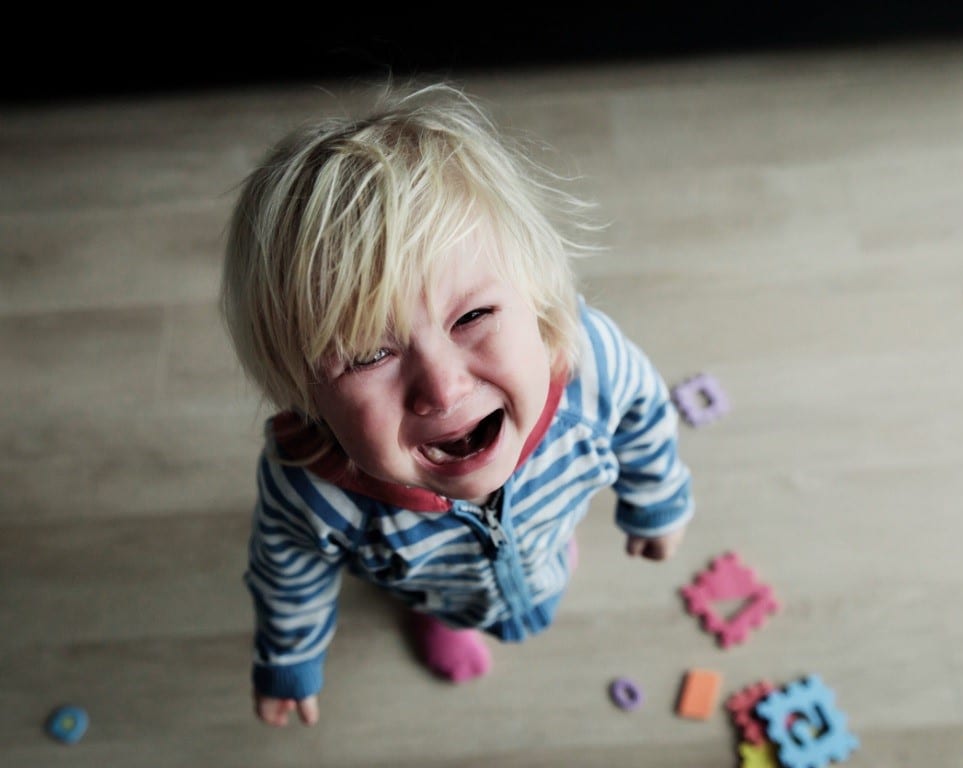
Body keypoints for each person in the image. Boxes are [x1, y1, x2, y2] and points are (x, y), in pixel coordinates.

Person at [220, 83, 694, 727]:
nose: (442, 388)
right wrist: (288, 655)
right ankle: (441, 615)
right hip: (435, 584)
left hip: (547, 525)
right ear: (305, 392)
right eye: (367, 356)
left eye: (472, 316)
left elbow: (645, 418)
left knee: (541, 549)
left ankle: (538, 558)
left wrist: (656, 501)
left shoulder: (589, 367)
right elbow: (286, 568)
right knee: (437, 593)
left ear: (537, 297)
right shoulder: (310, 488)